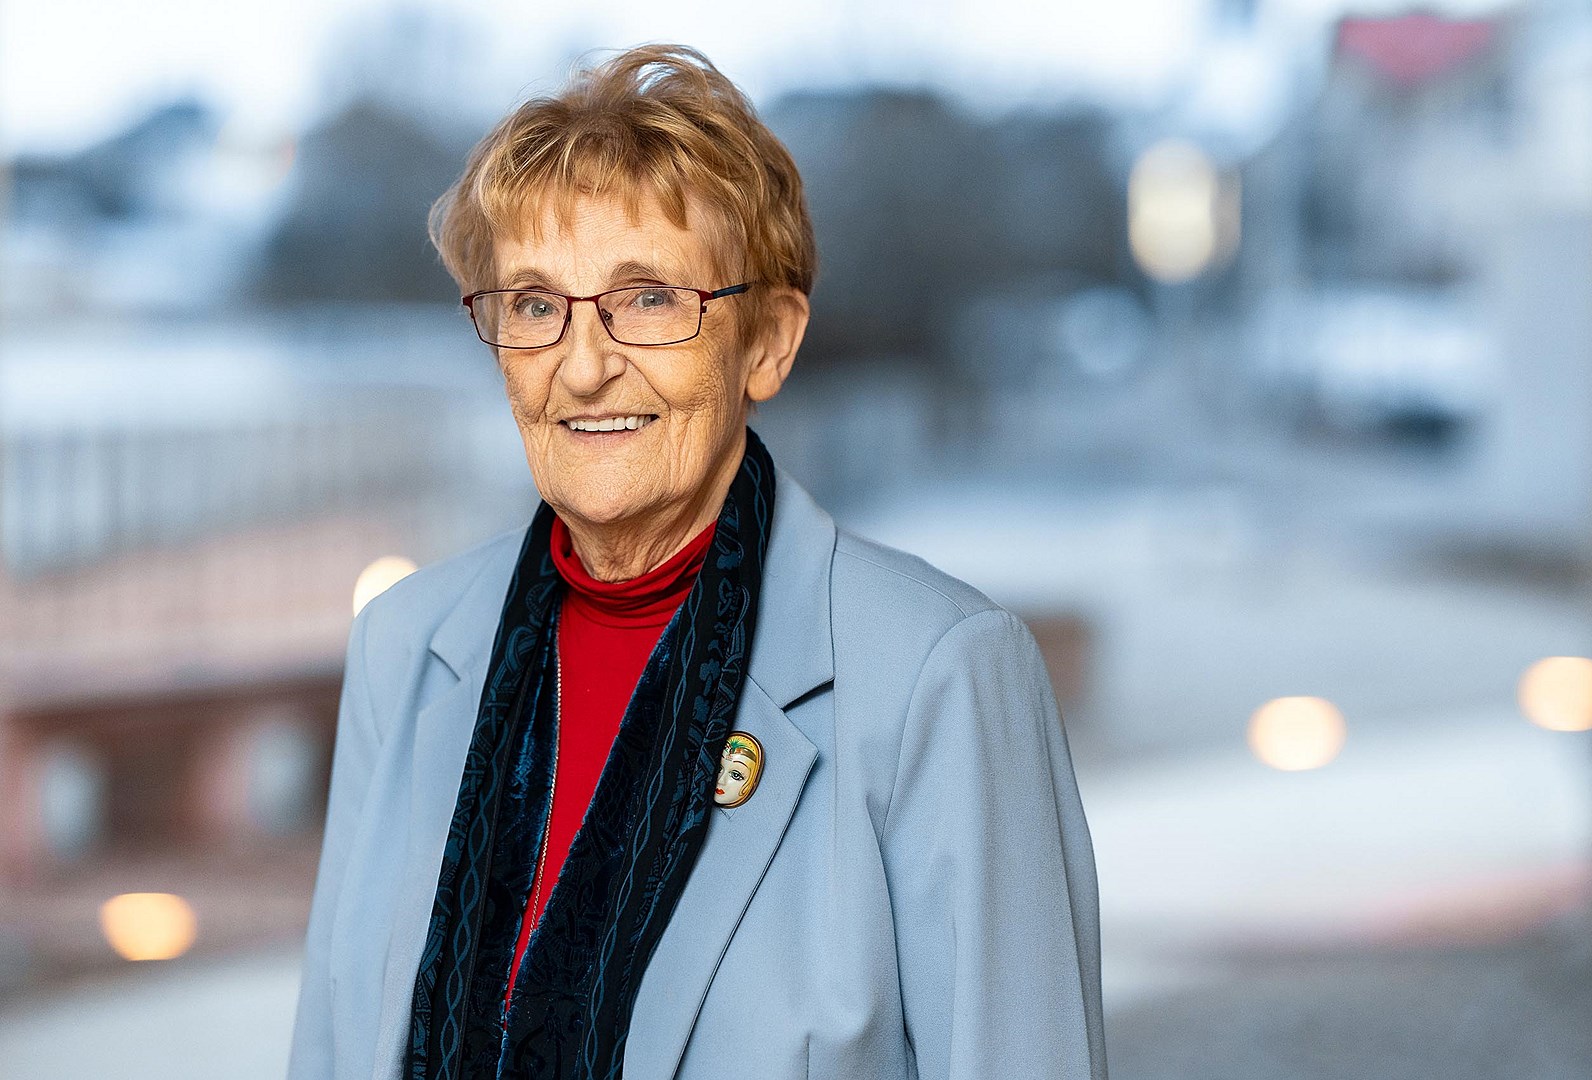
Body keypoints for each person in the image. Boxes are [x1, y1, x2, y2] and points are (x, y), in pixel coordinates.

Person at [288, 42, 1107, 1080]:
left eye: (649, 298)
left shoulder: (941, 675)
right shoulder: (402, 650)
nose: (584, 367)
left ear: (768, 341)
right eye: (535, 304)